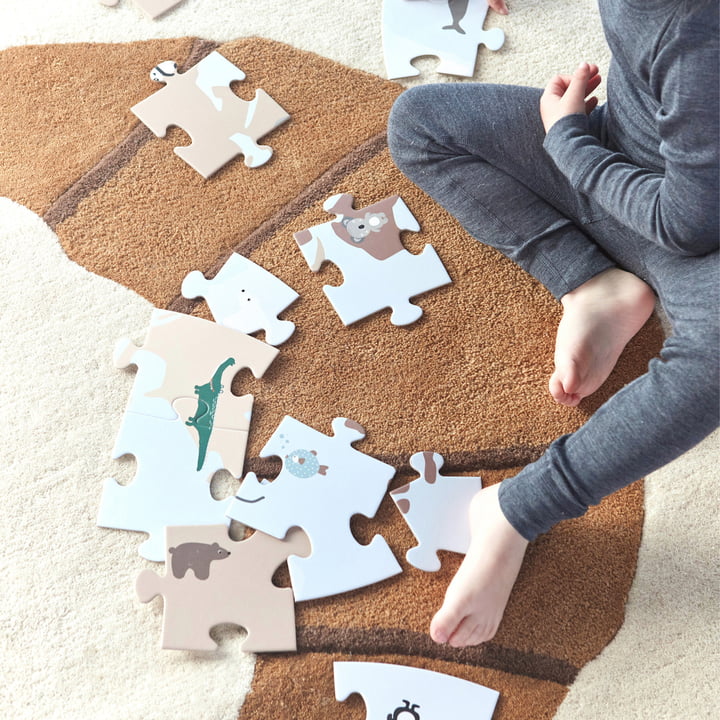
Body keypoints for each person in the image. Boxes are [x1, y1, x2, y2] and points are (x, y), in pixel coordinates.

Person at [387, 0, 719, 648]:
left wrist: (568, 141)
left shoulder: (698, 35)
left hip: (697, 239)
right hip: (629, 150)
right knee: (420, 122)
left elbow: (687, 225)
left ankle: (516, 512)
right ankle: (595, 281)